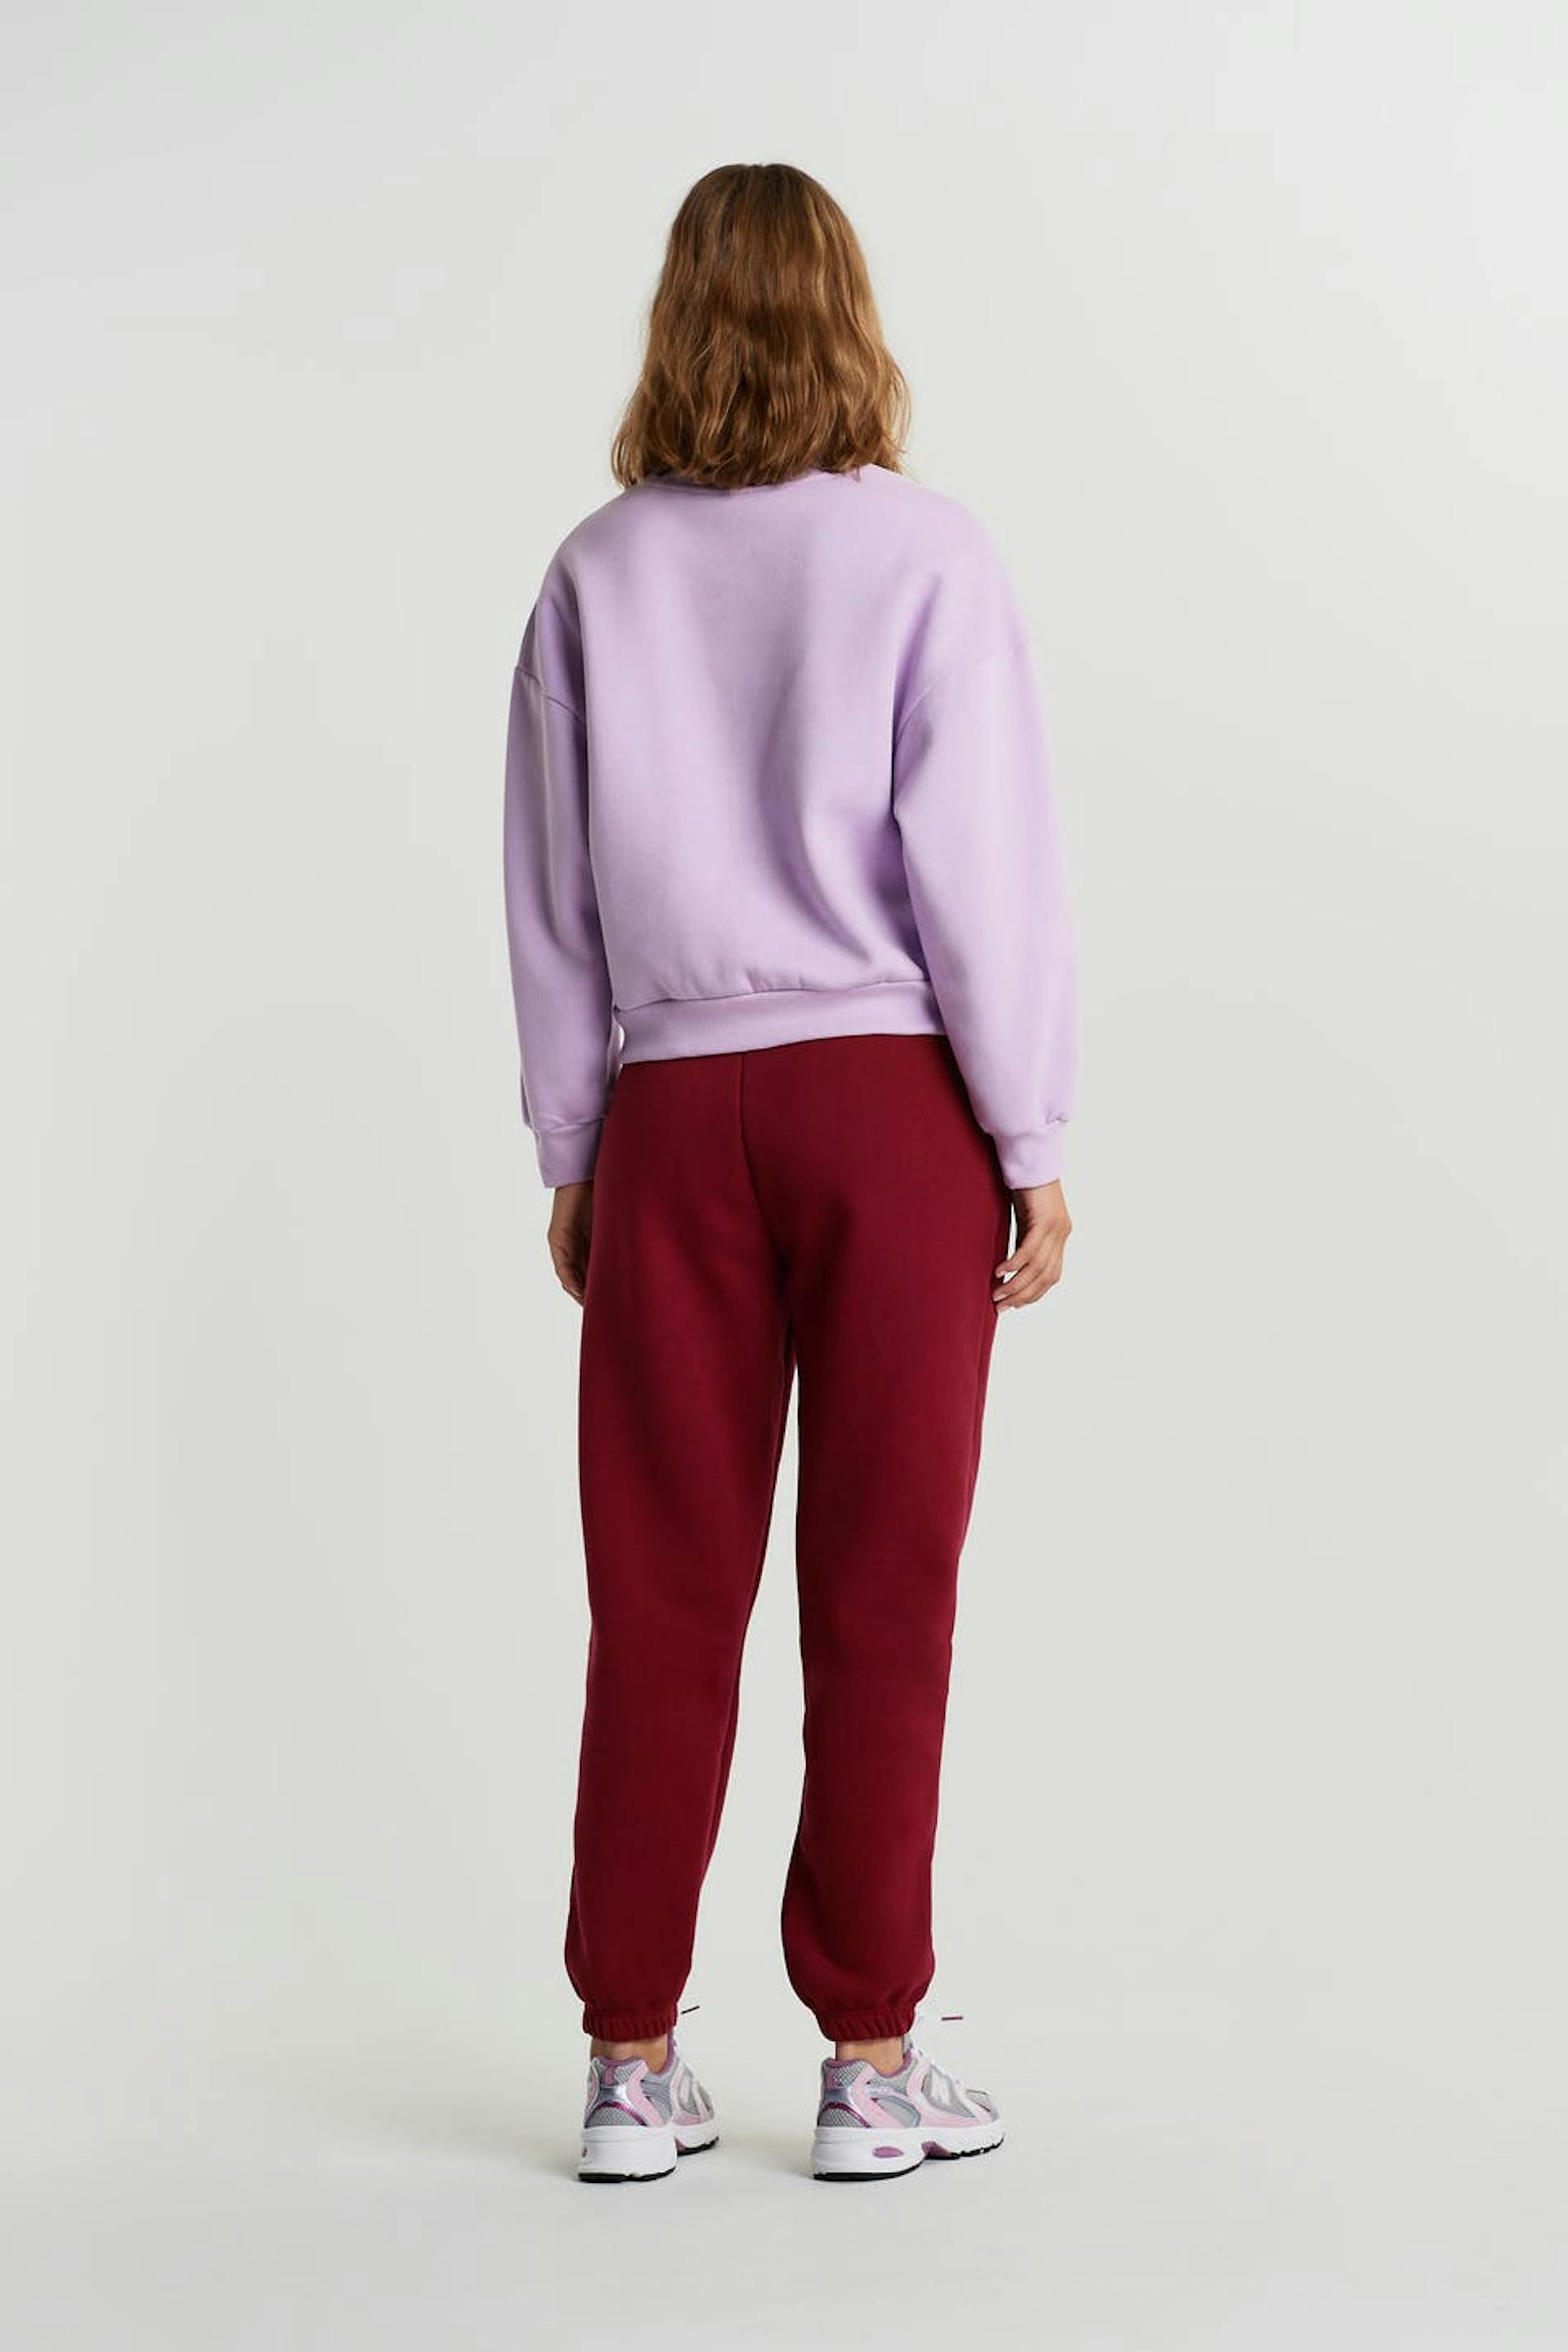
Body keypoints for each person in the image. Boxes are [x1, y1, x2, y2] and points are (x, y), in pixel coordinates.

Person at [503, 162, 1076, 2185]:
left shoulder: (597, 572)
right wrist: (1030, 1134)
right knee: (881, 1585)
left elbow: (552, 894)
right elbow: (980, 864)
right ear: (851, 313)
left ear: (675, 317)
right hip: (890, 1110)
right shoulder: (925, 554)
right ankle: (868, 2059)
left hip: (674, 1113)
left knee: (658, 1585)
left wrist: (576, 1141)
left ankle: (630, 2063)